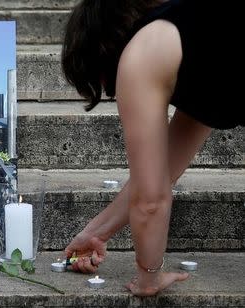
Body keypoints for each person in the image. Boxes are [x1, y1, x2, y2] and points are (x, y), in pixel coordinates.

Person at [61, 0, 244, 297]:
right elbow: (162, 174)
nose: (112, 90)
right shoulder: (194, 38)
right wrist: (97, 232)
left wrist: (149, 276)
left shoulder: (142, 52)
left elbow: (151, 200)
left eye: (106, 86)